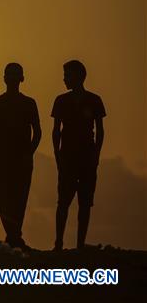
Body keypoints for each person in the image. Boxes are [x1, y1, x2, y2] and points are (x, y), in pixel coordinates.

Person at [0, 63, 41, 250]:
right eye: (10, 75)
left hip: (17, 158)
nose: (12, 79)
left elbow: (38, 132)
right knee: (6, 197)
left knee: (17, 197)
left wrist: (28, 154)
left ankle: (14, 235)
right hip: (4, 158)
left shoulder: (28, 103)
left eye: (14, 75)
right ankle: (13, 235)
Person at [52, 60, 105, 251]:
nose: (64, 79)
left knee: (84, 203)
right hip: (67, 157)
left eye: (68, 75)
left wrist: (96, 155)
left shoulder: (94, 100)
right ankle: (58, 243)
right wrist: (58, 156)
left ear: (79, 76)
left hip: (86, 158)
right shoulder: (61, 101)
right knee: (63, 202)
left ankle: (80, 245)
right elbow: (56, 131)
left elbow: (100, 131)